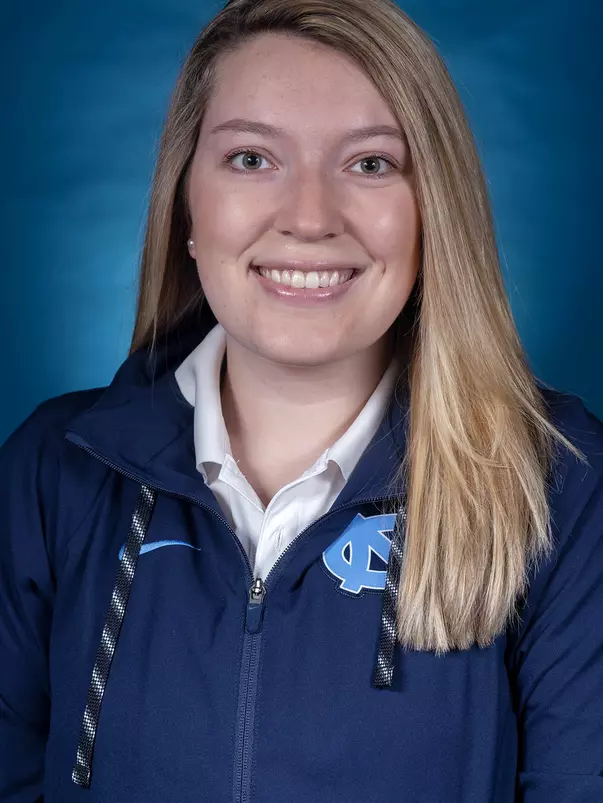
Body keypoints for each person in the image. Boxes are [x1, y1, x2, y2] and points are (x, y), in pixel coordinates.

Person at [1, 0, 602, 800]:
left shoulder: (559, 481)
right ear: (187, 206)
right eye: (251, 158)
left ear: (435, 210)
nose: (309, 218)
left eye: (370, 163)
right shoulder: (51, 472)